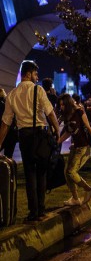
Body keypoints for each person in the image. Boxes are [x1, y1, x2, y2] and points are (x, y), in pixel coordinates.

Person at [0, 61, 60, 222]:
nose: (37, 77)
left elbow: (6, 122)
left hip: (24, 136)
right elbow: (50, 113)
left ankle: (33, 211)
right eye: (35, 74)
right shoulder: (38, 90)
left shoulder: (12, 94)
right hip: (40, 134)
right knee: (41, 173)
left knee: (29, 173)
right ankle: (41, 209)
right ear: (28, 74)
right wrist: (57, 131)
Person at [57, 94, 91, 206]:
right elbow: (68, 132)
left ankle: (88, 189)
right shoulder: (66, 115)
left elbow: (88, 127)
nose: (61, 107)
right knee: (66, 172)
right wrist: (58, 141)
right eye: (60, 105)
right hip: (76, 146)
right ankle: (75, 198)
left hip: (84, 147)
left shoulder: (79, 112)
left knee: (71, 171)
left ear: (68, 104)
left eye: (63, 104)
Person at [0, 88, 18, 159]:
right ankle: (8, 169)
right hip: (11, 133)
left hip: (3, 132)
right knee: (8, 155)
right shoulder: (7, 103)